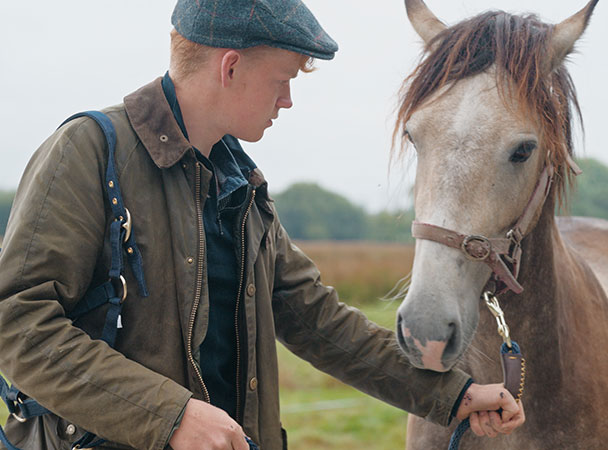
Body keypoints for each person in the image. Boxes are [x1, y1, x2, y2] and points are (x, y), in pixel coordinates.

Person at [0, 0, 525, 449]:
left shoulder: (240, 183)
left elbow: (317, 320)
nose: (287, 100)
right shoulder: (86, 152)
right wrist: (171, 415)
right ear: (230, 68)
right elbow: (16, 323)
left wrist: (453, 396)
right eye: (283, 79)